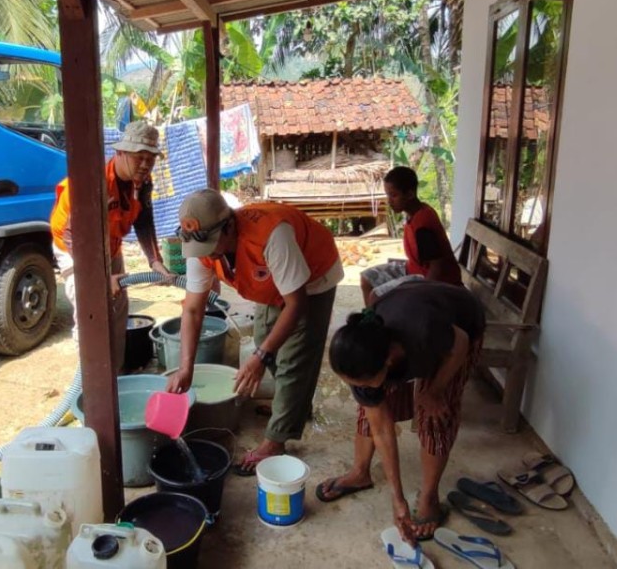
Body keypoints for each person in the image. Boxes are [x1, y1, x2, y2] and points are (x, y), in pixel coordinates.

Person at [165, 190, 343, 474]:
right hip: (276, 281)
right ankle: (295, 406)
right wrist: (186, 368)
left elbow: (296, 304)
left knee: (294, 357)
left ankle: (276, 440)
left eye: (212, 245)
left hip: (313, 275)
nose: (207, 254)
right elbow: (193, 310)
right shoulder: (200, 247)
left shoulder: (272, 235)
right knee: (264, 337)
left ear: (230, 226)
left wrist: (260, 357)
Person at [317, 279, 485, 544]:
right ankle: (360, 473)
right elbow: (382, 429)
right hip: (412, 313)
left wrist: (434, 390)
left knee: (435, 413)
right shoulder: (362, 352)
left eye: (363, 382)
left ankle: (429, 497)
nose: (358, 388)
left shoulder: (424, 331)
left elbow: (460, 344)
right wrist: (398, 499)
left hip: (460, 328)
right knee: (369, 409)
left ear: (388, 362)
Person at [50, 121, 172, 373]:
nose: (145, 164)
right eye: (139, 157)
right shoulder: (94, 183)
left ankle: (114, 378)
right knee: (92, 313)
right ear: (120, 153)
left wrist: (154, 261)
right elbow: (74, 235)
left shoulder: (142, 183)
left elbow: (143, 219)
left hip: (109, 245)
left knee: (117, 309)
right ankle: (92, 387)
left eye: (151, 158)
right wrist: (101, 277)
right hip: (74, 248)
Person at [360, 167, 462, 305]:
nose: (389, 201)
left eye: (394, 195)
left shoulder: (423, 225)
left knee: (376, 296)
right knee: (367, 278)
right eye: (388, 195)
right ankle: (369, 320)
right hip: (413, 268)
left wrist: (423, 295)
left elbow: (437, 267)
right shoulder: (415, 213)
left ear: (409, 194)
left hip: (434, 280)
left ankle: (377, 324)